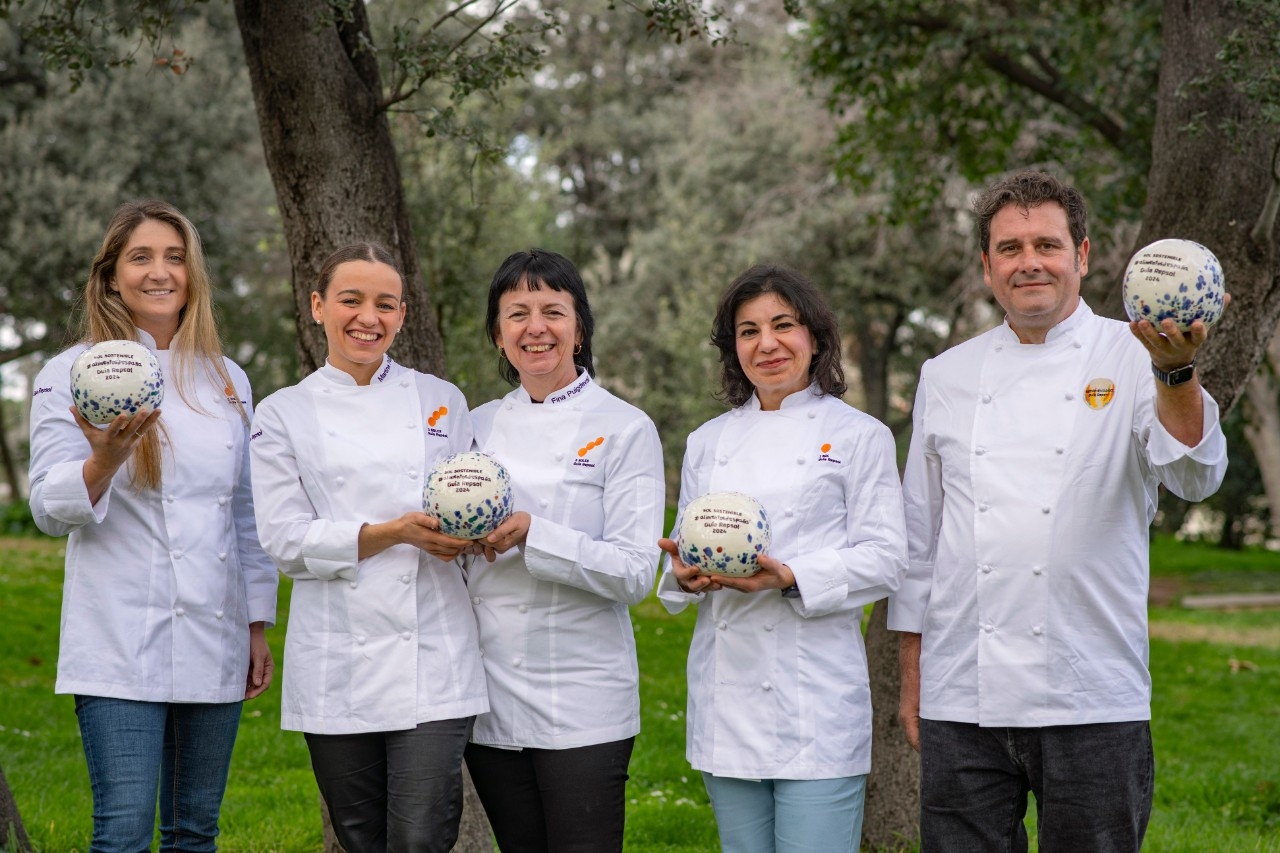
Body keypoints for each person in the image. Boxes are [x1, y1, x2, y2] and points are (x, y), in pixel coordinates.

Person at [890, 171, 1229, 852]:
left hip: (1093, 687)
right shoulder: (944, 374)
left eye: (1046, 243)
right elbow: (919, 539)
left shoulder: (1138, 355)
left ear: (1082, 254)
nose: (1029, 262)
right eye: (1009, 248)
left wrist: (1177, 373)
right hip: (963, 688)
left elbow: (1193, 476)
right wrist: (913, 675)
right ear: (987, 266)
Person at [27, 199, 277, 852]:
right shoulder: (71, 374)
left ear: (192, 274)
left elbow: (245, 512)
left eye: (175, 257)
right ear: (111, 276)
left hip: (214, 633)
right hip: (117, 642)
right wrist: (103, 459)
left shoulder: (227, 380)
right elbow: (48, 510)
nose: (160, 272)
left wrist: (255, 622)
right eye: (141, 257)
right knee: (124, 830)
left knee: (195, 832)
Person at [655, 263, 908, 853]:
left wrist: (789, 576)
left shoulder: (860, 436)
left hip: (816, 703)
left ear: (814, 337)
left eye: (782, 325)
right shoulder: (707, 442)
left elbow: (887, 557)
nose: (766, 343)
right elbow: (685, 546)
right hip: (728, 704)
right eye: (748, 331)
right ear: (732, 348)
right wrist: (685, 576)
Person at [248, 243, 487, 853]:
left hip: (431, 651)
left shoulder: (442, 399)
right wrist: (395, 533)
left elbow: (471, 500)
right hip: (336, 658)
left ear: (402, 314)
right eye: (351, 300)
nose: (368, 318)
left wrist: (466, 538)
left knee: (419, 838)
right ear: (318, 306)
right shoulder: (284, 413)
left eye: (385, 304)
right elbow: (284, 540)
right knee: (359, 838)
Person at [459, 249, 664, 853]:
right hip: (491, 696)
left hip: (585, 699)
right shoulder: (475, 427)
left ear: (579, 329)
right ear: (498, 335)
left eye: (553, 310)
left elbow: (633, 573)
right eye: (517, 313)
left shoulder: (626, 427)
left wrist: (534, 533)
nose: (536, 327)